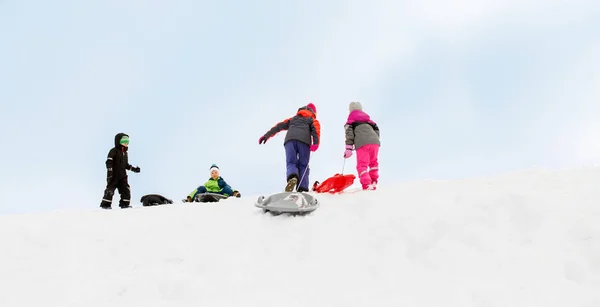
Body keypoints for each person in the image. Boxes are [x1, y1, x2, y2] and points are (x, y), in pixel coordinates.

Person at [258, 103, 320, 192]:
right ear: (314, 112)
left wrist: (266, 136)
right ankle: (302, 188)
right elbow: (316, 131)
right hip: (304, 141)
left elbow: (278, 126)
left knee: (291, 162)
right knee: (303, 165)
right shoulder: (312, 120)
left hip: (290, 140)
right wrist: (316, 143)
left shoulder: (293, 119)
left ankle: (293, 176)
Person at [343, 102, 380, 190]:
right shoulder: (369, 120)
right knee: (373, 162)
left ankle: (366, 184)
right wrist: (375, 139)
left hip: (362, 143)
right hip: (375, 142)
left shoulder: (350, 122)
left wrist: (348, 148)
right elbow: (376, 129)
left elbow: (349, 135)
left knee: (362, 164)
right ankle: (373, 181)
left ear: (350, 110)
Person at [100, 133, 141, 209]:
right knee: (110, 190)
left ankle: (124, 204)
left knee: (126, 189)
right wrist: (110, 171)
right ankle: (105, 205)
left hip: (122, 176)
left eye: (127, 141)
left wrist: (134, 169)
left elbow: (126, 165)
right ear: (118, 141)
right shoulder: (113, 151)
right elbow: (109, 162)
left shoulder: (125, 153)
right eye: (124, 141)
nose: (126, 143)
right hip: (113, 175)